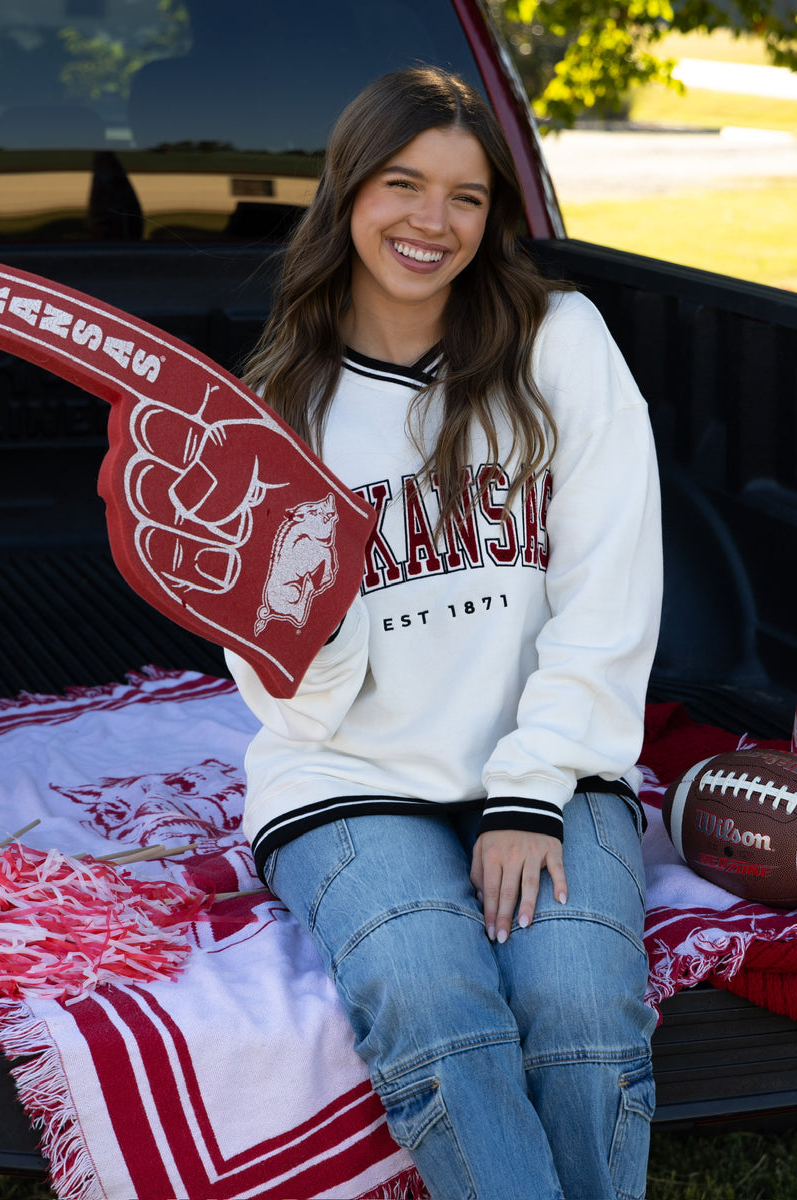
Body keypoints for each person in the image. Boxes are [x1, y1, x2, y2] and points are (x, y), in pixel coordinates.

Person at [226, 65, 663, 1200]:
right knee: (429, 991)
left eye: (466, 197)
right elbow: (293, 701)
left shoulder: (558, 340)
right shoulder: (277, 408)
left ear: (492, 215)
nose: (432, 221)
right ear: (345, 193)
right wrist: (303, 615)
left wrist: (526, 788)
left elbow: (607, 594)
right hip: (347, 775)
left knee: (577, 1000)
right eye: (401, 183)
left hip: (546, 769)